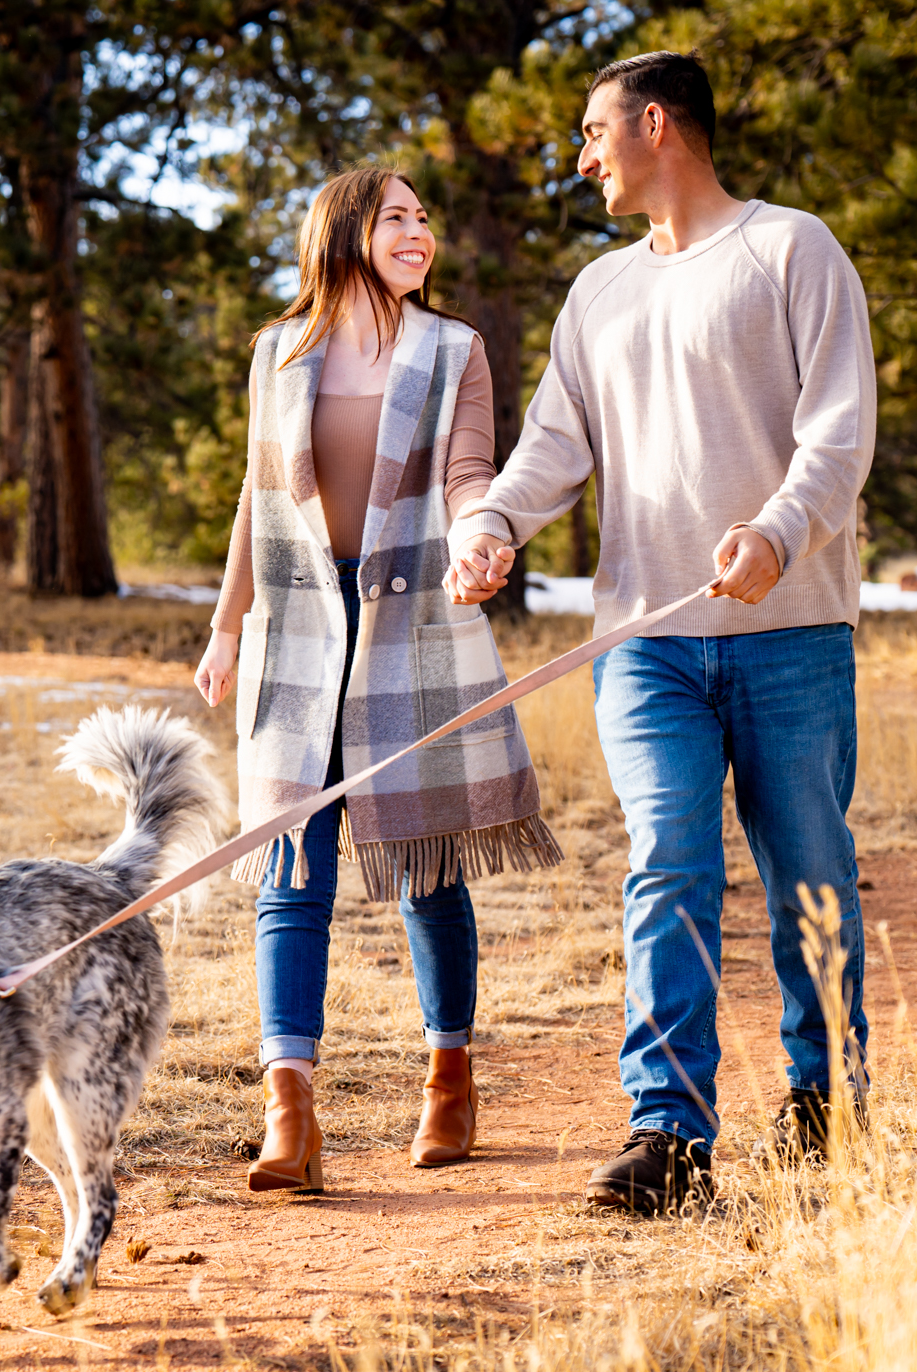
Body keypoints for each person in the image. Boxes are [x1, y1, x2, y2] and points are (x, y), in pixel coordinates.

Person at [445, 51, 877, 1214]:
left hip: (789, 631)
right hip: (645, 642)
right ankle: (669, 1132)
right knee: (665, 867)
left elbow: (838, 433)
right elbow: (551, 444)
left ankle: (826, 1099)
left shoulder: (791, 249)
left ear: (653, 125)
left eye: (591, 133)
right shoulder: (599, 292)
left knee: (809, 881)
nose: (580, 157)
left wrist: (781, 532)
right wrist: (488, 520)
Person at [195, 167, 563, 1193]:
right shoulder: (278, 351)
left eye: (424, 218)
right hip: (296, 634)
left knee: (423, 862)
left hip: (413, 625)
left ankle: (448, 1075)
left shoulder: (455, 350)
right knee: (291, 868)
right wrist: (227, 623)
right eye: (397, 216)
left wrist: (480, 537)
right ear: (346, 231)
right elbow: (258, 496)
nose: (419, 232)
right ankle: (290, 1110)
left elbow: (465, 473)